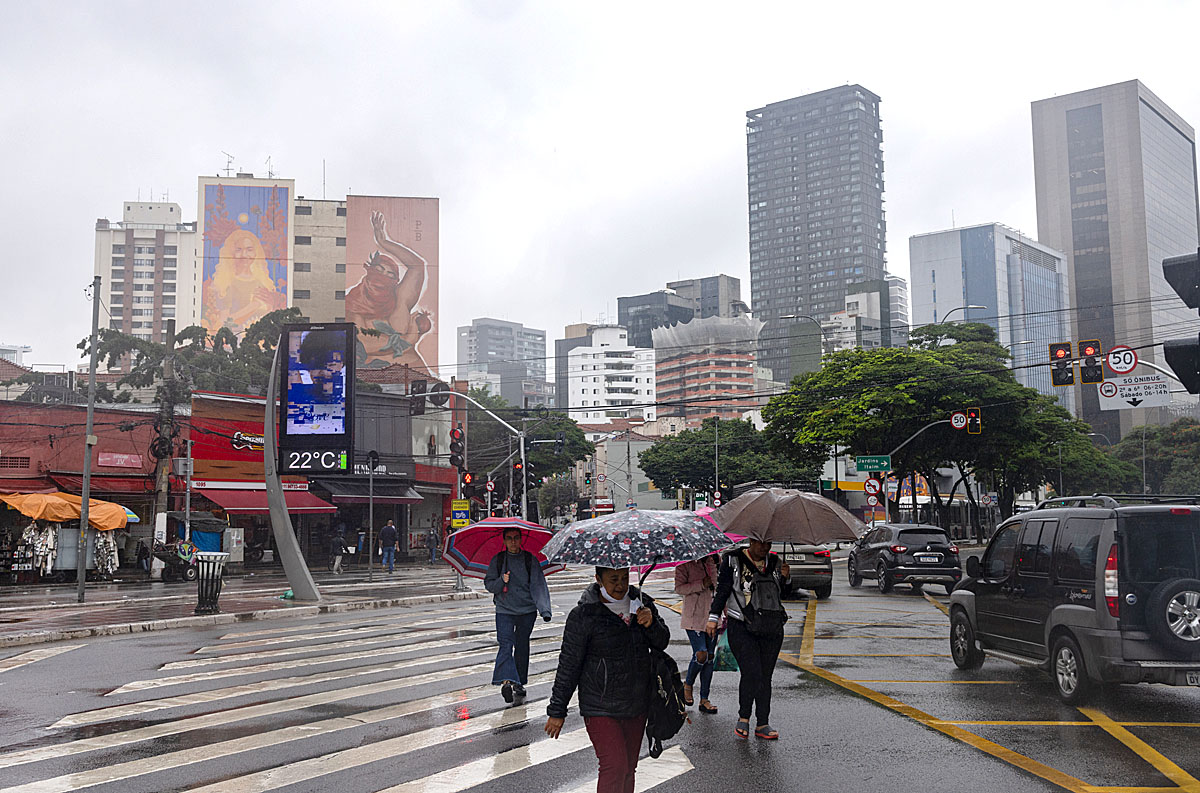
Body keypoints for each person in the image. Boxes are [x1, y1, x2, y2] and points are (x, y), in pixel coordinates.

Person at [545, 566, 670, 793]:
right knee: (614, 766)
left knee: (629, 768)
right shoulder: (584, 615)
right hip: (600, 705)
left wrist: (652, 624)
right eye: (613, 580)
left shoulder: (643, 604)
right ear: (598, 579)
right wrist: (557, 710)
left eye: (624, 578)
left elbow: (662, 642)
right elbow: (569, 665)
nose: (621, 585)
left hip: (637, 701)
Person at [707, 539, 790, 740]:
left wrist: (786, 579)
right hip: (741, 625)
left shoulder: (775, 562)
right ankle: (744, 717)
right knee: (751, 672)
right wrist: (713, 617)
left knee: (765, 676)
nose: (765, 548)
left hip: (771, 627)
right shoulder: (732, 560)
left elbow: (780, 595)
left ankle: (763, 723)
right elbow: (723, 590)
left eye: (769, 544)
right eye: (761, 544)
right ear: (751, 541)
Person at [345, 211, 434, 372]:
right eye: (379, 271)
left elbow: (417, 266)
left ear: (395, 281)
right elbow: (365, 343)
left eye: (390, 274)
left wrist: (384, 242)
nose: (383, 277)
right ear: (369, 271)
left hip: (416, 376)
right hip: (376, 382)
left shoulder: (400, 299)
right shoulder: (354, 304)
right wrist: (408, 338)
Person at [483, 528, 552, 705]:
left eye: (516, 538)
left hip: (527, 612)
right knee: (505, 644)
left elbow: (539, 585)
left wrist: (544, 610)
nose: (513, 542)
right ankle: (506, 681)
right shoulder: (498, 561)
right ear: (504, 541)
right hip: (504, 610)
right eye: (509, 539)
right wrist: (501, 581)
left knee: (522, 646)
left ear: (521, 539)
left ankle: (519, 682)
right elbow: (489, 585)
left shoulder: (530, 560)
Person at [675, 555, 719, 714]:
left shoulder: (713, 562)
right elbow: (679, 588)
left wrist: (724, 614)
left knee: (709, 658)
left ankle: (704, 699)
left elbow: (718, 590)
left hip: (712, 616)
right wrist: (700, 584)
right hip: (693, 617)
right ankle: (688, 683)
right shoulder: (684, 564)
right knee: (701, 654)